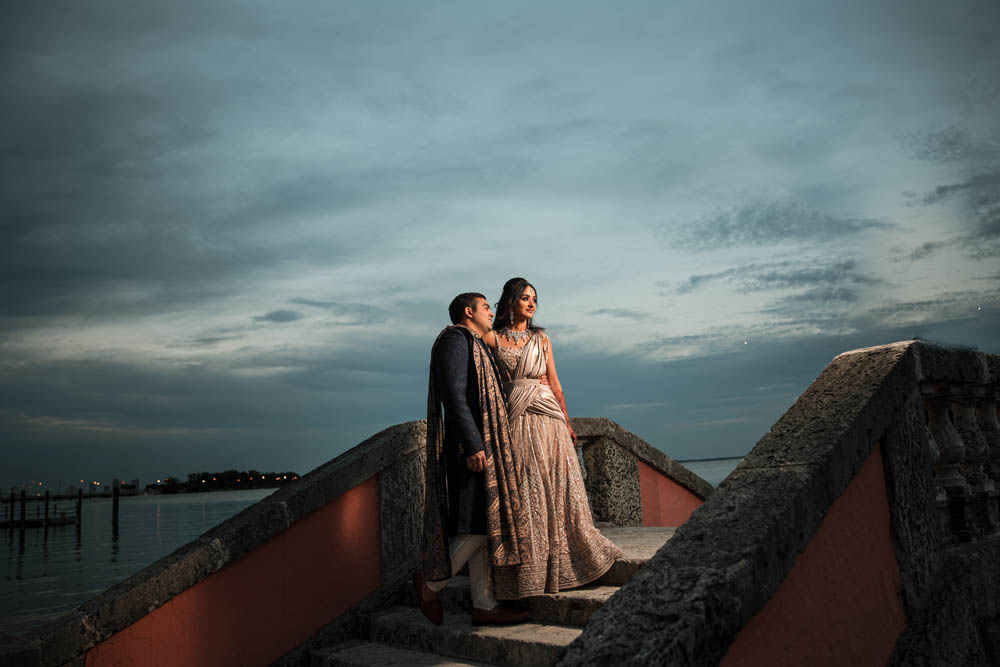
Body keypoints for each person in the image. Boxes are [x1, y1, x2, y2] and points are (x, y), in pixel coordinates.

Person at [483, 277, 623, 599]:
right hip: (517, 417)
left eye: (534, 298)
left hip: (550, 418)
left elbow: (556, 383)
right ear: (511, 302)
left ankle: (570, 559)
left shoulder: (541, 338)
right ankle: (528, 569)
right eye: (525, 298)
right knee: (527, 487)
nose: (531, 303)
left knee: (560, 484)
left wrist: (567, 421)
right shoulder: (492, 338)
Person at [415, 292, 532, 626]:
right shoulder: (454, 340)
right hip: (470, 449)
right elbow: (453, 396)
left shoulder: (476, 344)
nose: (491, 312)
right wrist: (472, 444)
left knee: (484, 523)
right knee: (478, 524)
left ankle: (484, 605)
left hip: (483, 446)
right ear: (468, 312)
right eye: (485, 307)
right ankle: (430, 580)